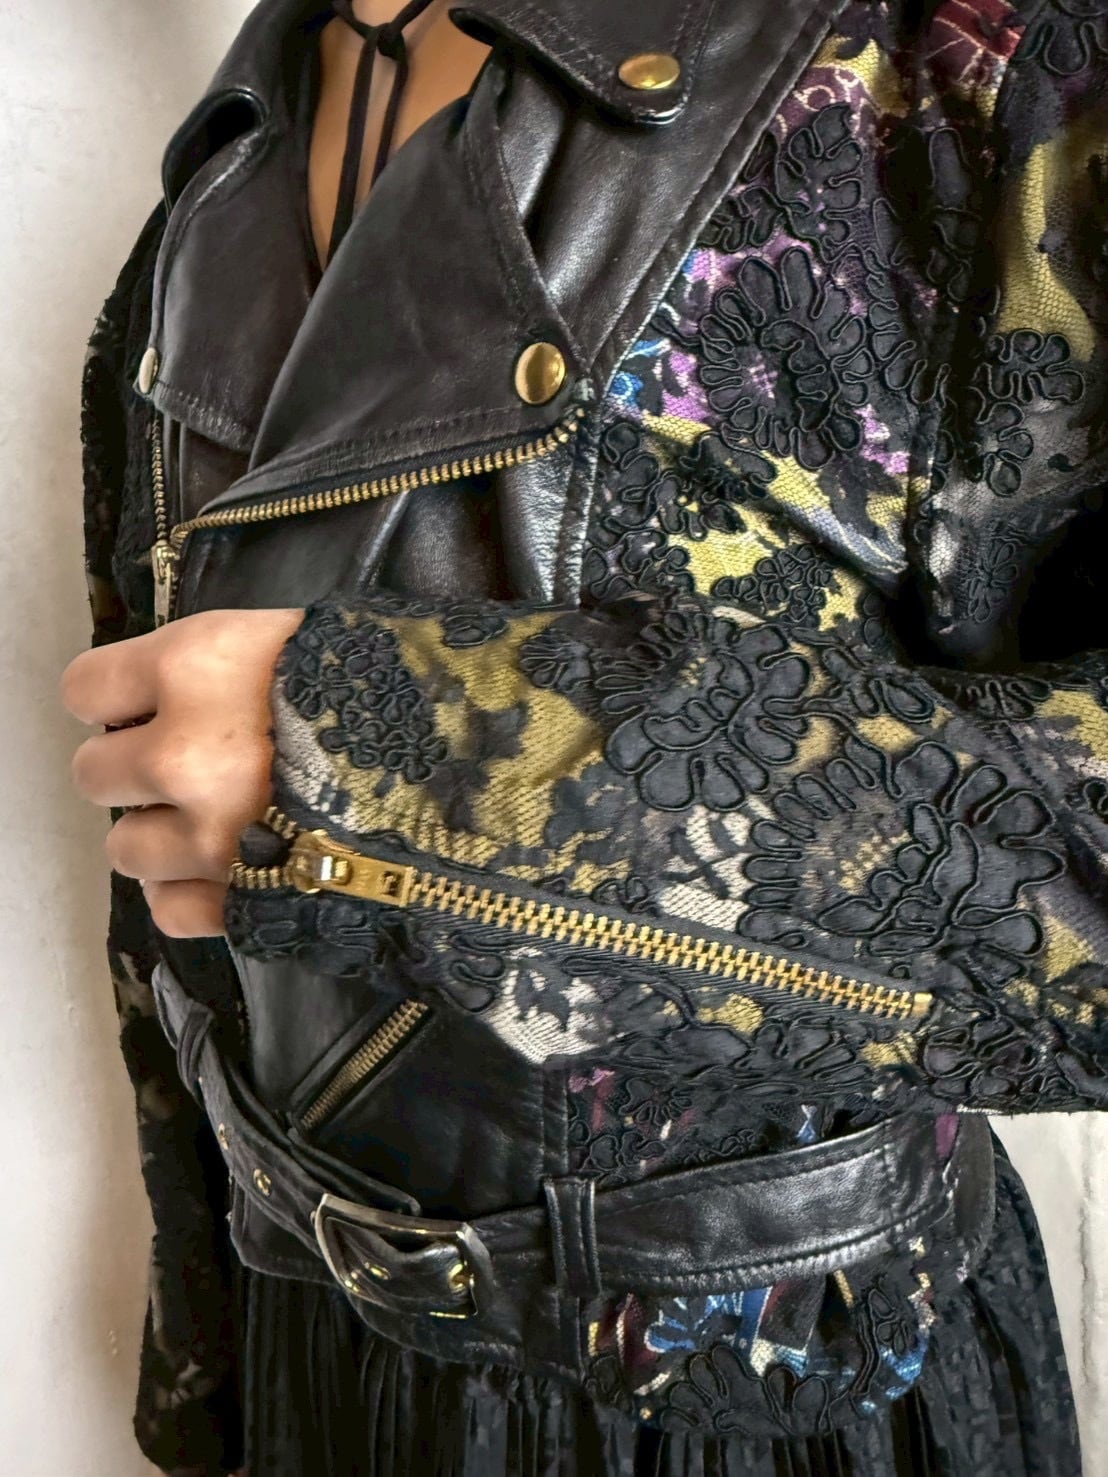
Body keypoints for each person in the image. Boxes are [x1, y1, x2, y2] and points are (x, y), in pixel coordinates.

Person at [63, 0, 1108, 1472]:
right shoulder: (219, 175)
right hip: (335, 1381)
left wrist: (387, 758)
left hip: (778, 1401)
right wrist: (207, 1374)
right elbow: (167, 860)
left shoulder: (966, 61)